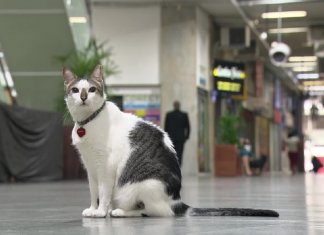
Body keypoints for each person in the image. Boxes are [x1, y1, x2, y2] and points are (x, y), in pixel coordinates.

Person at [164, 101, 190, 166]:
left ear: (174, 106)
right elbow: (188, 127)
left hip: (171, 138)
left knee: (172, 154)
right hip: (181, 138)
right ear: (179, 106)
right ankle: (178, 167)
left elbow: (166, 128)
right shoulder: (184, 115)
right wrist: (186, 136)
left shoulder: (169, 115)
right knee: (180, 154)